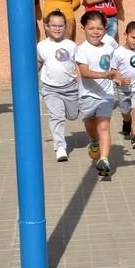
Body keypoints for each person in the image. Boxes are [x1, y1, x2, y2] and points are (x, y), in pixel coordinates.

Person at [76, 11, 122, 177]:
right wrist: (105, 74)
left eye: (100, 28)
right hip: (87, 95)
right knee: (90, 124)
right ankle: (94, 141)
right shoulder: (82, 50)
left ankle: (104, 159)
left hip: (106, 95)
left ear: (105, 29)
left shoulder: (110, 48)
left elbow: (116, 66)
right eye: (91, 28)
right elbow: (85, 72)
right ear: (84, 28)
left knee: (103, 126)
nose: (96, 32)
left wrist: (119, 77)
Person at [36, 10, 78, 162]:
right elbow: (39, 63)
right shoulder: (42, 46)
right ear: (46, 27)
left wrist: (80, 83)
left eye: (60, 26)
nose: (57, 28)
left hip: (71, 88)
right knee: (56, 116)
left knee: (73, 115)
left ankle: (70, 111)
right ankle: (60, 147)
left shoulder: (71, 45)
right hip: (50, 89)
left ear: (65, 27)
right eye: (53, 25)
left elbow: (77, 65)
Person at [110, 21, 135, 148]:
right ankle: (126, 122)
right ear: (125, 35)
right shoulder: (118, 53)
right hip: (123, 89)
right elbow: (112, 71)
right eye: (133, 37)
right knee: (125, 111)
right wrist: (120, 80)